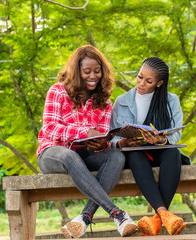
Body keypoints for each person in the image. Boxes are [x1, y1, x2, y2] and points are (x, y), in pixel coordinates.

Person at [36, 45, 138, 239]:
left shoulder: (104, 101)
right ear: (76, 71)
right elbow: (49, 128)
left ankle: (84, 217)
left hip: (85, 155)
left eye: (97, 71)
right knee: (69, 155)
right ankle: (117, 214)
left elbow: (102, 135)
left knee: (116, 156)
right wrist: (83, 132)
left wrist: (105, 143)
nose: (93, 76)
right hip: (53, 153)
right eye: (87, 71)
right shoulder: (57, 91)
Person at [110, 57, 187, 236]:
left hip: (160, 152)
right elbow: (110, 138)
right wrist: (123, 143)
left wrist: (161, 140)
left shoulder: (171, 100)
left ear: (159, 83)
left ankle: (158, 218)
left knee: (173, 153)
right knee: (136, 155)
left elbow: (176, 135)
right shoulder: (122, 101)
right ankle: (165, 215)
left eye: (149, 81)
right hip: (135, 154)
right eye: (139, 77)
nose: (141, 83)